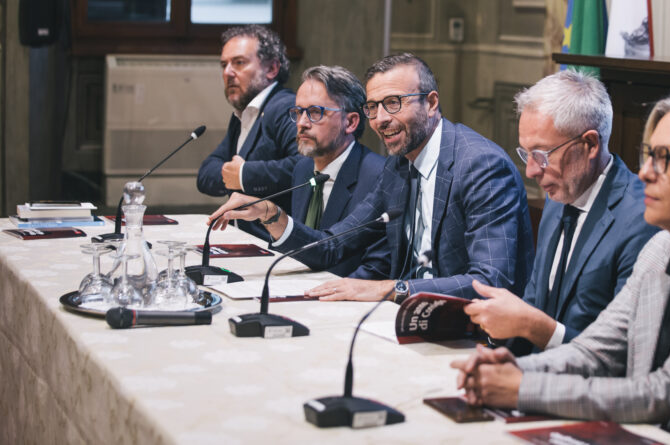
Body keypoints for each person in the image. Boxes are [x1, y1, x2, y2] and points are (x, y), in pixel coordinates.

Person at [451, 91, 670, 445]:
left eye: (667, 159)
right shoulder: (661, 249)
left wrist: (521, 387)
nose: (645, 172)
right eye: (649, 155)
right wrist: (507, 369)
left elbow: (663, 392)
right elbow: (594, 351)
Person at [209, 53, 534, 302]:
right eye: (373, 107)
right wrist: (270, 213)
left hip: (474, 334)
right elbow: (332, 247)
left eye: (393, 103)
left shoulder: (480, 165)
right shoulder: (399, 167)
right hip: (404, 317)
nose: (380, 119)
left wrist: (390, 289)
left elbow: (490, 282)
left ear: (431, 103)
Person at [464, 70, 658, 354]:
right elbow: (534, 303)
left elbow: (623, 354)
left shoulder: (643, 220)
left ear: (590, 144)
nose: (531, 171)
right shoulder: (558, 196)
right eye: (526, 154)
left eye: (542, 155)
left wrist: (531, 326)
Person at [197, 25, 300, 240]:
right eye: (224, 64)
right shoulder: (243, 114)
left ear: (272, 68)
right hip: (243, 238)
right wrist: (234, 175)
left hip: (275, 243)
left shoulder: (286, 108)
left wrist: (244, 175)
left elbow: (304, 168)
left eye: (239, 62)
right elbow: (206, 174)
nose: (227, 72)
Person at [289, 65, 385, 276]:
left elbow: (375, 269)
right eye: (298, 112)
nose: (302, 123)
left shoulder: (378, 176)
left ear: (350, 122)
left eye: (315, 112)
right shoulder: (302, 169)